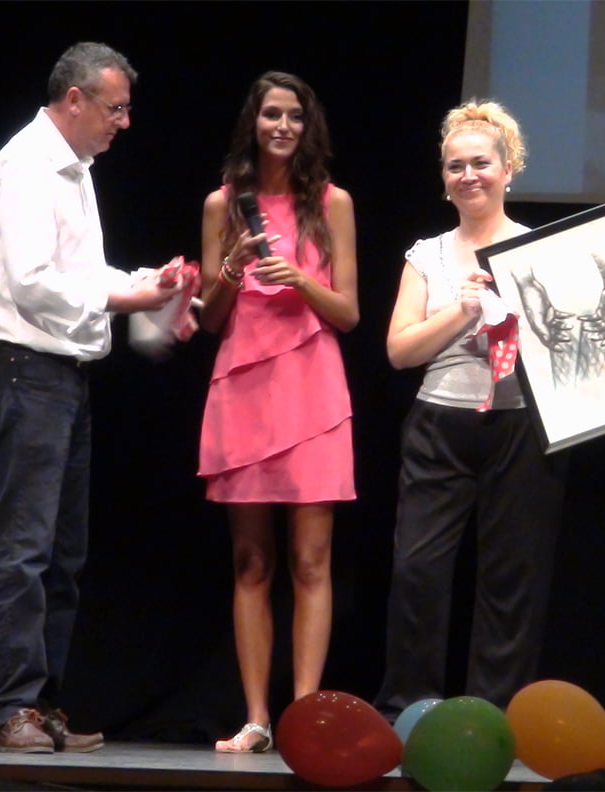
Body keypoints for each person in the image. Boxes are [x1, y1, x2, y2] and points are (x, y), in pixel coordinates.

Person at [374, 100, 605, 720]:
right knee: (417, 572)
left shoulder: (544, 250)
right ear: (443, 178)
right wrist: (462, 307)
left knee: (513, 581)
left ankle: (491, 718)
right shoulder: (426, 254)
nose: (469, 175)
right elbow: (399, 351)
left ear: (509, 169)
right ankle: (409, 711)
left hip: (521, 426)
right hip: (438, 425)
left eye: (481, 163)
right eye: (456, 166)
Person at [0, 43, 191, 753]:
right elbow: (33, 283)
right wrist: (127, 297)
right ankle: (14, 709)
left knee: (64, 554)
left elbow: (81, 272)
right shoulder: (30, 166)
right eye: (115, 107)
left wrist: (143, 280)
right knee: (25, 550)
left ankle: (44, 703)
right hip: (21, 371)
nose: (123, 122)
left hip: (62, 377)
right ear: (75, 100)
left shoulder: (75, 171)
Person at [197, 71, 358, 753]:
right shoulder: (222, 204)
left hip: (312, 386)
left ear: (307, 125)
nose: (283, 127)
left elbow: (349, 312)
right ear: (254, 122)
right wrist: (231, 270)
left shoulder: (333, 203)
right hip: (244, 384)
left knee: (312, 559)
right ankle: (258, 719)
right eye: (271, 115)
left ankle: (304, 716)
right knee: (251, 562)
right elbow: (210, 319)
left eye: (294, 116)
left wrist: (305, 283)